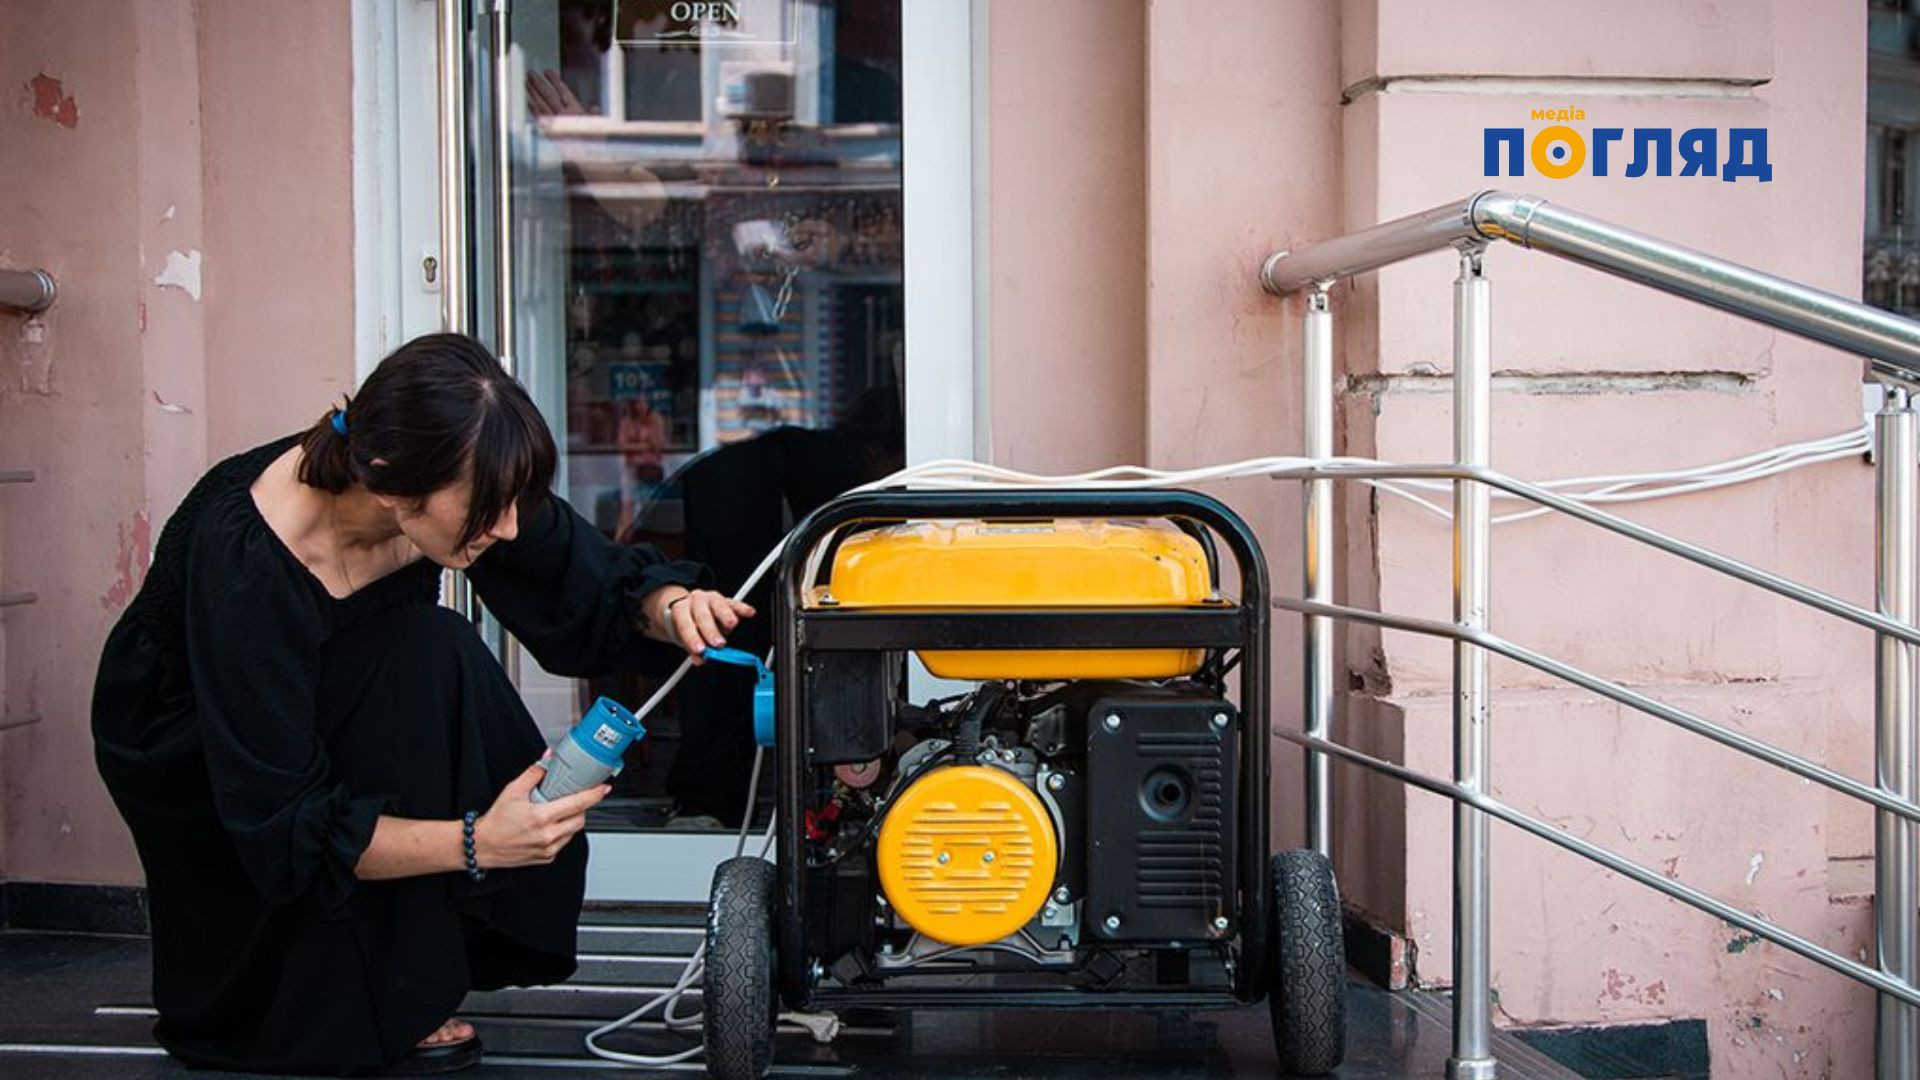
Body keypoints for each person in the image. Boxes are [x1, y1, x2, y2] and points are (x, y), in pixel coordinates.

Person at [90, 334, 753, 1076]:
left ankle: (407, 975)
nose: (506, 527)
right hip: (191, 731)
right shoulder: (252, 561)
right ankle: (307, 1004)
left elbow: (583, 578)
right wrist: (480, 842)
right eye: (488, 508)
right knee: (413, 667)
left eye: (515, 502)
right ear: (387, 485)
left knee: (428, 651)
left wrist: (670, 606)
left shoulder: (451, 480)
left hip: (338, 678)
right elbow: (282, 822)